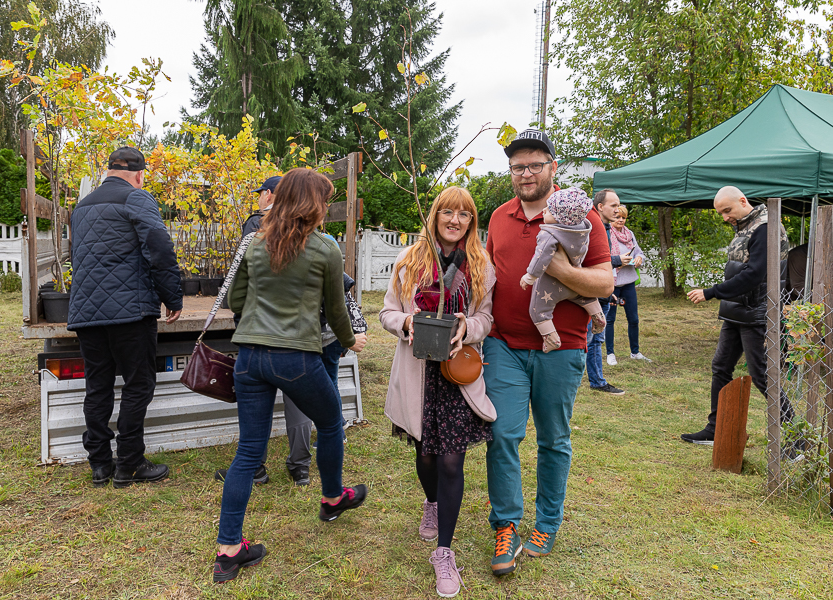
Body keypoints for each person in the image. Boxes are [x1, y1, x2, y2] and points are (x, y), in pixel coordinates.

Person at [213, 168, 367, 583]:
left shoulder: (255, 242)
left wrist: (258, 325)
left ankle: (228, 551)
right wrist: (351, 340)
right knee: (331, 422)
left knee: (248, 450)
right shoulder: (324, 249)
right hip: (295, 358)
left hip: (248, 357)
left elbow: (235, 299)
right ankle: (333, 498)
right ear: (313, 204)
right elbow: (336, 310)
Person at [484, 129, 613, 575]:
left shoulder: (582, 217)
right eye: (517, 166)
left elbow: (605, 283)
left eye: (534, 164)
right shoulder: (499, 217)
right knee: (502, 435)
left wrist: (554, 264)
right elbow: (488, 277)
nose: (525, 173)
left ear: (553, 168)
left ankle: (547, 522)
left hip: (562, 349)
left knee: (553, 439)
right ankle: (506, 524)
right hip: (504, 345)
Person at [380, 186, 497, 598]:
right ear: (434, 216)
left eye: (463, 214)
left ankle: (443, 553)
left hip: (456, 376)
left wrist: (469, 327)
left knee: (451, 462)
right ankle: (431, 501)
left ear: (471, 221)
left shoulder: (481, 264)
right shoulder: (409, 260)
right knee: (427, 456)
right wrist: (408, 324)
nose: (454, 220)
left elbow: (486, 317)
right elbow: (387, 312)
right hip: (417, 374)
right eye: (446, 212)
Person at [67, 146, 183, 488]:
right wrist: (171, 296)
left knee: (98, 386)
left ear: (108, 171)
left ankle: (100, 464)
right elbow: (159, 247)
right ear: (139, 174)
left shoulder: (82, 207)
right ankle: (130, 463)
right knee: (138, 383)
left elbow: (77, 254)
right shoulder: (137, 198)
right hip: (129, 312)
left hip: (86, 311)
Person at [683, 186, 793, 444]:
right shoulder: (746, 226)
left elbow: (754, 274)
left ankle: (796, 438)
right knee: (720, 367)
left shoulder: (765, 227)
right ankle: (715, 429)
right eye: (720, 213)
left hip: (755, 312)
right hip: (735, 311)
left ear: (743, 201)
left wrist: (711, 292)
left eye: (727, 210)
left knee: (762, 375)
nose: (724, 217)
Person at [520, 187, 607, 352]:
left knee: (539, 311)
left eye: (550, 209)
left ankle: (551, 339)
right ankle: (598, 316)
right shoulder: (582, 229)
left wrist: (530, 276)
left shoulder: (549, 234)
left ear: (561, 217)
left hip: (551, 287)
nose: (544, 210)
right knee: (586, 296)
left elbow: (541, 257)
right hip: (574, 284)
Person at [583, 189, 627, 395]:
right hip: (591, 296)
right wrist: (617, 261)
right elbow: (593, 262)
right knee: (589, 340)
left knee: (596, 340)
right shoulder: (592, 227)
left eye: (618, 205)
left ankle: (597, 380)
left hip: (603, 294)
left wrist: (609, 291)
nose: (618, 210)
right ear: (600, 207)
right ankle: (596, 381)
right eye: (613, 205)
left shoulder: (607, 228)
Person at [605, 205, 650, 365]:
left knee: (634, 319)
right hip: (613, 283)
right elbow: (604, 258)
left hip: (628, 283)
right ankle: (610, 353)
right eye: (617, 217)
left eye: (623, 217)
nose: (621, 220)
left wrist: (639, 259)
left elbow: (639, 252)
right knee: (610, 319)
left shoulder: (629, 234)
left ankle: (635, 352)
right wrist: (618, 260)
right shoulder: (607, 233)